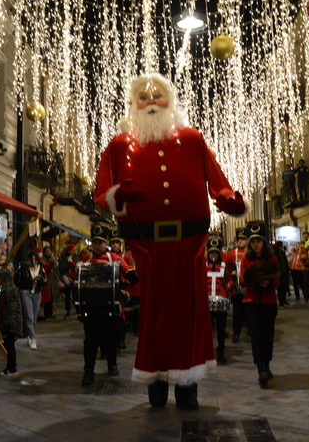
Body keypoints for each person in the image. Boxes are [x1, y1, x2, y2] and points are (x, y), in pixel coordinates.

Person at [94, 72, 247, 410]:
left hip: (190, 242)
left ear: (171, 100)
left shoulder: (192, 139)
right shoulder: (120, 145)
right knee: (154, 311)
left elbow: (216, 181)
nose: (150, 102)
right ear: (134, 104)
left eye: (158, 95)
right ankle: (157, 382)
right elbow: (101, 194)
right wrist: (119, 195)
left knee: (190, 310)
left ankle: (187, 384)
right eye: (143, 97)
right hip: (145, 246)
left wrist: (228, 199)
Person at [78, 224, 134, 386]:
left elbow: (127, 270)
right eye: (95, 242)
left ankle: (112, 364)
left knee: (110, 339)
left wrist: (133, 277)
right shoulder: (85, 261)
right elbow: (76, 278)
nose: (97, 245)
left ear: (106, 243)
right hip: (90, 308)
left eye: (100, 242)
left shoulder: (114, 259)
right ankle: (88, 371)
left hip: (109, 308)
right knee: (90, 341)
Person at [239, 221, 280, 387]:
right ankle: (260, 369)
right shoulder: (246, 260)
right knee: (256, 336)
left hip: (269, 302)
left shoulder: (272, 259)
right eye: (253, 242)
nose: (256, 245)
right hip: (252, 302)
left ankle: (267, 364)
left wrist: (268, 283)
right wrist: (256, 283)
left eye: (258, 241)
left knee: (268, 334)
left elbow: (277, 281)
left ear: (264, 241)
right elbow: (242, 281)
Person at [206, 236, 233, 363]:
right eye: (211, 253)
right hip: (206, 300)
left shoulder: (223, 266)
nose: (213, 255)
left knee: (221, 328)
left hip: (220, 299)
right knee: (206, 329)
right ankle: (207, 352)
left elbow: (229, 280)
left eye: (215, 253)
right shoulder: (203, 266)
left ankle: (221, 350)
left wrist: (229, 285)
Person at [0, 265, 22, 377]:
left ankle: (11, 368)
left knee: (9, 346)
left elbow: (2, 308)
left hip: (8, 323)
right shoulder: (13, 288)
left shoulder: (6, 291)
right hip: (14, 322)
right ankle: (11, 367)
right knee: (10, 345)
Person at [15, 251, 46, 350]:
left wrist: (39, 280)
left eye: (34, 258)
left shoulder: (40, 267)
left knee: (34, 316)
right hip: (26, 292)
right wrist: (31, 280)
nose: (33, 260)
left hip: (37, 292)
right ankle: (33, 338)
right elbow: (18, 281)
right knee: (29, 316)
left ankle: (29, 335)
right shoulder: (23, 268)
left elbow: (45, 280)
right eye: (31, 258)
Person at [225, 228, 249, 343]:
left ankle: (251, 331)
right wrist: (230, 278)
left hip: (249, 288)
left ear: (247, 240)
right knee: (237, 312)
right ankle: (236, 333)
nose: (240, 241)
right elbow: (225, 269)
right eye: (238, 239)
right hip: (237, 288)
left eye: (243, 239)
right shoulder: (231, 254)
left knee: (250, 311)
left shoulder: (250, 253)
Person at [40, 244, 57, 320]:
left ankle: (50, 313)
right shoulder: (43, 260)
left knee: (51, 297)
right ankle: (47, 313)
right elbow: (48, 268)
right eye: (46, 251)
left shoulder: (52, 259)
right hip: (47, 279)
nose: (48, 252)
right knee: (48, 297)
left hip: (52, 279)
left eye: (49, 250)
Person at [273, 241, 291, 307]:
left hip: (284, 272)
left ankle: (284, 300)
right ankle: (281, 301)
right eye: (281, 245)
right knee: (280, 288)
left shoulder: (282, 253)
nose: (281, 247)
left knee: (284, 287)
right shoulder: (275, 253)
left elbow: (285, 261)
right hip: (279, 272)